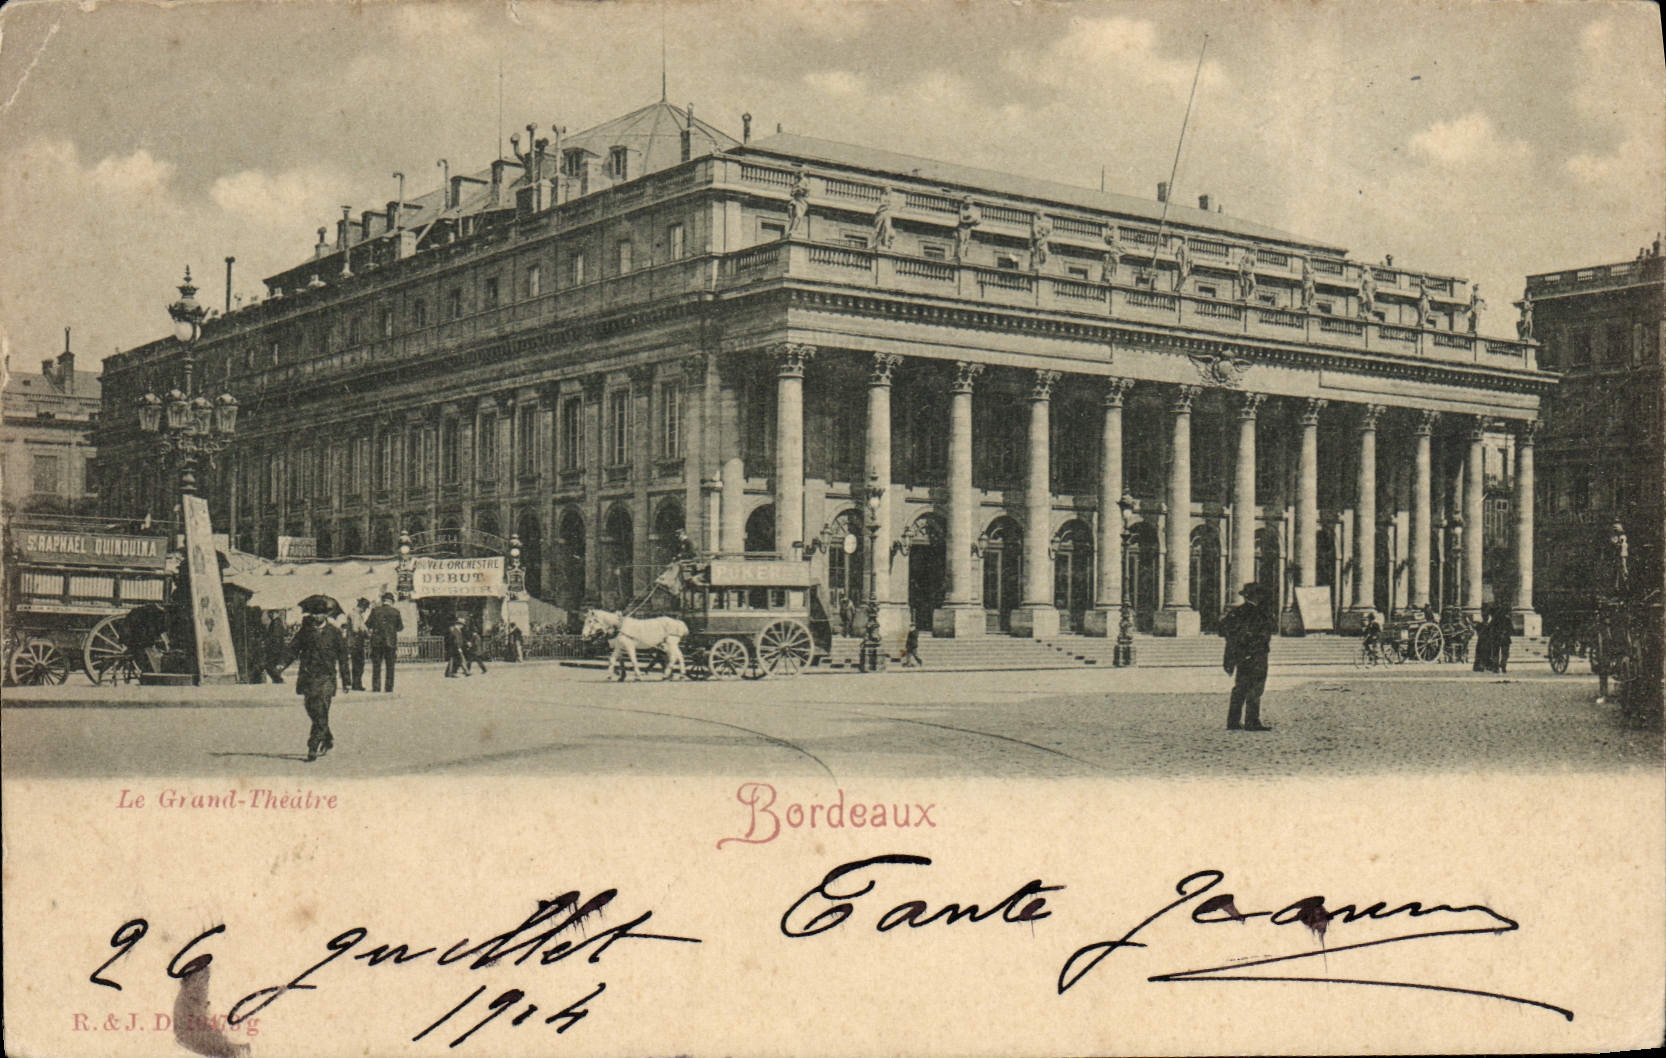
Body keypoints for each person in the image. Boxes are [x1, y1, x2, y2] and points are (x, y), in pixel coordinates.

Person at [1220, 582, 1278, 731]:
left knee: (1240, 687)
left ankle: (1233, 721)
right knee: (1255, 688)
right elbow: (1264, 635)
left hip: (1241, 656)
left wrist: (1237, 653)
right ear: (1257, 596)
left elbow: (1224, 630)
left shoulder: (1236, 612)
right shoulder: (1260, 613)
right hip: (1257, 656)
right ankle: (1252, 721)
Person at [290, 611, 346, 762]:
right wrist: (281, 663)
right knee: (311, 708)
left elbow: (343, 656)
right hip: (308, 677)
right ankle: (327, 738)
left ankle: (312, 747)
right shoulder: (305, 631)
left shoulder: (334, 632)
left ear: (326, 615)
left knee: (321, 708)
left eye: (320, 613)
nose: (316, 616)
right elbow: (293, 649)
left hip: (326, 677)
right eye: (314, 613)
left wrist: (346, 680)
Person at [366, 593, 403, 692]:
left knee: (376, 666)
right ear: (392, 601)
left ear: (383, 601)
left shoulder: (375, 611)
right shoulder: (396, 612)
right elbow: (400, 627)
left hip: (377, 643)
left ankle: (376, 687)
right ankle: (389, 688)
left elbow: (368, 624)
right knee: (390, 666)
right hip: (390, 643)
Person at [346, 597, 371, 691]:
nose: (365, 611)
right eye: (365, 608)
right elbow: (355, 629)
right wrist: (365, 632)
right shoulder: (355, 615)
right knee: (358, 664)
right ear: (362, 607)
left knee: (357, 664)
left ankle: (356, 683)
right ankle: (356, 684)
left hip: (354, 642)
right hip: (356, 642)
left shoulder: (355, 614)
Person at [262, 611, 291, 684]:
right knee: (271, 665)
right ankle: (277, 679)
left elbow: (276, 637)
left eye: (271, 613)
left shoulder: (276, 622)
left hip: (274, 648)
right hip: (275, 647)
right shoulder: (276, 622)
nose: (269, 615)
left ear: (274, 613)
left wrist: (270, 644)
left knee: (269, 665)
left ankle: (278, 680)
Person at [1491, 606, 1514, 674]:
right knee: (1505, 654)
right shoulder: (1508, 619)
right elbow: (1512, 629)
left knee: (1495, 654)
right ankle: (1503, 666)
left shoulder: (1494, 619)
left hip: (1496, 638)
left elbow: (1491, 629)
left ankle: (1496, 668)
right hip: (1505, 639)